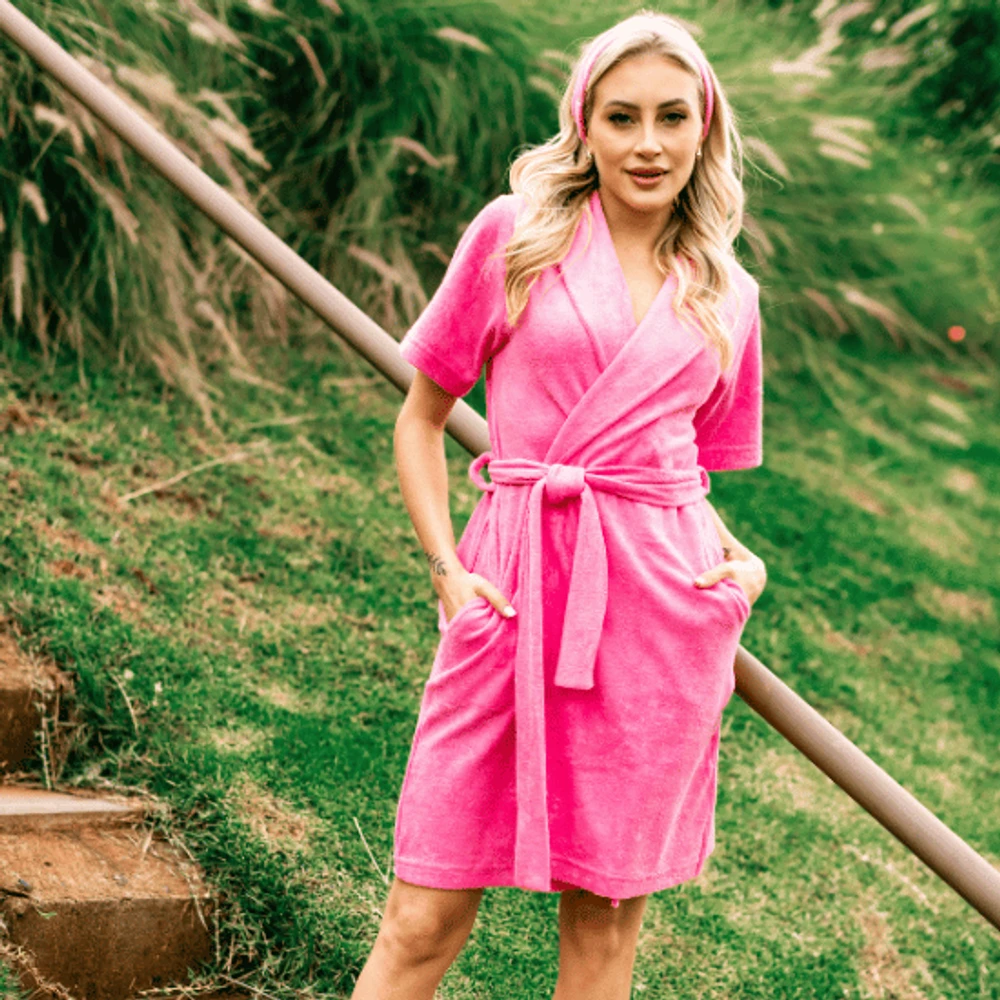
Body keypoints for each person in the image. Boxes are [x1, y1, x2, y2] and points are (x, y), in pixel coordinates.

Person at [352, 9, 768, 999]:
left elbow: (678, 469)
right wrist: (448, 574)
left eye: (672, 116)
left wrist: (739, 568)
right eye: (622, 117)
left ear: (704, 126)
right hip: (509, 589)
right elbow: (420, 421)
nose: (648, 143)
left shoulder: (730, 293)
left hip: (657, 620)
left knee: (605, 925)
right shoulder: (516, 235)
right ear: (585, 123)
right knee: (421, 917)